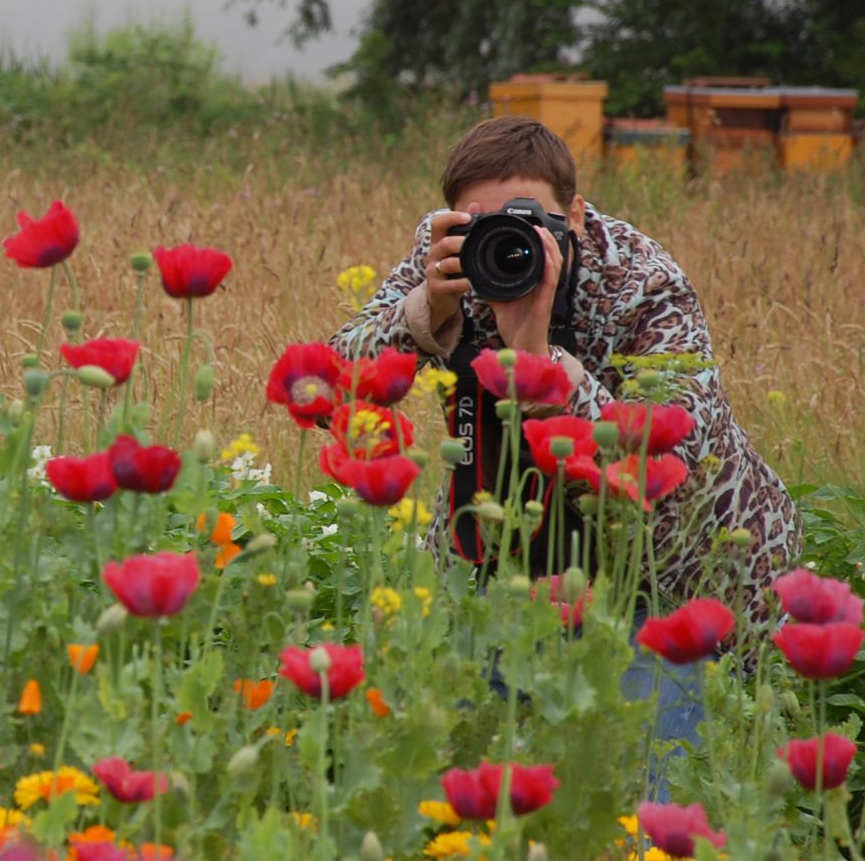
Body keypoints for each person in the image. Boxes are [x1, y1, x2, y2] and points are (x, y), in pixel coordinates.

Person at [330, 115, 800, 760]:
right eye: (482, 223)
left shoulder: (645, 284)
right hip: (509, 559)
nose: (506, 242)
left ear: (574, 214)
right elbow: (336, 375)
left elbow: (672, 454)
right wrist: (428, 311)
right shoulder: (457, 254)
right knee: (452, 766)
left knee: (649, 798)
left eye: (528, 221)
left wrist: (540, 362)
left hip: (667, 579)